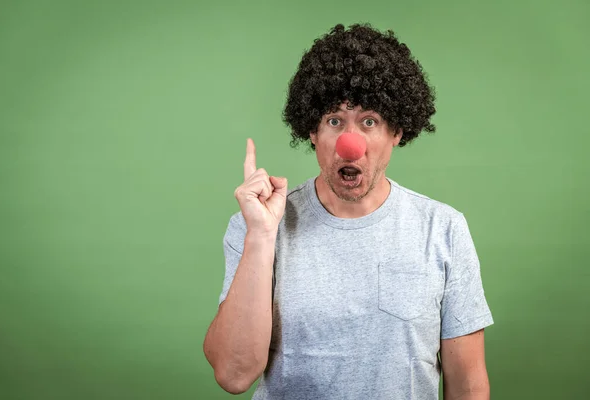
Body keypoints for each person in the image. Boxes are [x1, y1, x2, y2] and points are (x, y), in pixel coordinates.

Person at [203, 23, 494, 400]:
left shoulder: (444, 229)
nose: (349, 144)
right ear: (312, 131)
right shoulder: (257, 226)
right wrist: (261, 236)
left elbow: (468, 383)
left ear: (397, 132)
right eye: (334, 121)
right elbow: (233, 374)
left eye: (369, 121)